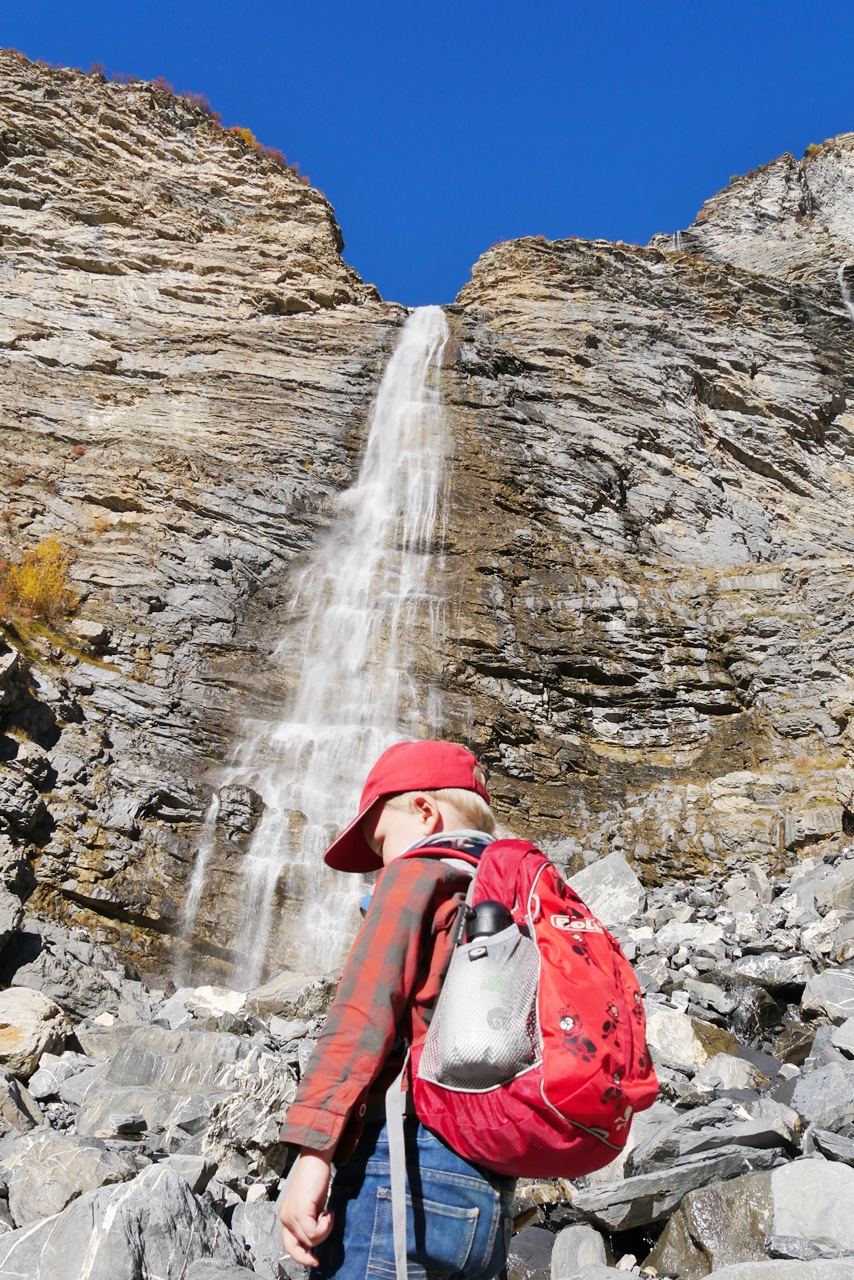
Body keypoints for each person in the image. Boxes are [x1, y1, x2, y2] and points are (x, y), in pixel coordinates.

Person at [278, 739, 516, 1280]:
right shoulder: (512, 896)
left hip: (403, 1165)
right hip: (490, 1185)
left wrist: (314, 1156)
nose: (382, 863)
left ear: (426, 813)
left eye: (382, 841)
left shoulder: (415, 873)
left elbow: (364, 1013)